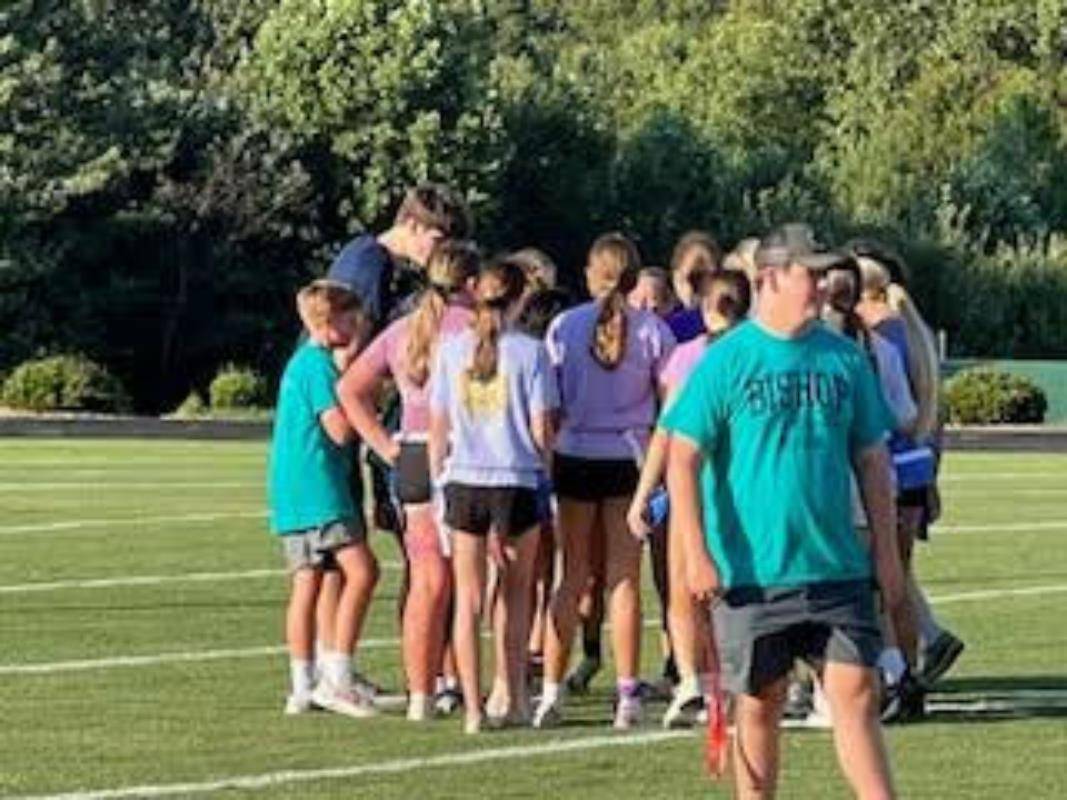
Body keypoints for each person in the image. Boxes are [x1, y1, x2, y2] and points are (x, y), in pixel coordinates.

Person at [663, 223, 905, 799]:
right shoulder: (728, 360)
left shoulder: (844, 359)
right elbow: (682, 458)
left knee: (857, 696)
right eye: (810, 273)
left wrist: (888, 558)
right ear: (769, 277)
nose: (823, 285)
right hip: (753, 572)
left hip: (835, 565)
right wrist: (696, 555)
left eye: (824, 273)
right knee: (760, 706)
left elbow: (873, 461)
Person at [322, 184, 471, 701]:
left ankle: (336, 666)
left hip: (369, 424)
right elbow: (348, 342)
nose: (439, 248)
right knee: (365, 551)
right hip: (365, 426)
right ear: (411, 224)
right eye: (438, 236)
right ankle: (349, 669)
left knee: (353, 549)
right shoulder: (371, 262)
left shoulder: (372, 261)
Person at [535, 233, 676, 730]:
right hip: (629, 458)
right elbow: (670, 405)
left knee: (570, 577)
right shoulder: (653, 331)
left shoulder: (563, 326)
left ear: (591, 275)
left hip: (575, 454)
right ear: (637, 279)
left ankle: (551, 691)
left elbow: (548, 407)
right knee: (623, 580)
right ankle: (627, 694)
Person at [429, 260, 558, 734]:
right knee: (517, 591)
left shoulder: (450, 349)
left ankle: (473, 708)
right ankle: (516, 695)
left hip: (464, 480)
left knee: (468, 599)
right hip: (516, 479)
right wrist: (548, 478)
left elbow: (439, 425)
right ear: (520, 298)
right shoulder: (531, 352)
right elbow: (542, 426)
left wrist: (438, 483)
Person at [625, 269, 752, 728]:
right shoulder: (758, 354)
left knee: (685, 587)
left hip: (694, 484)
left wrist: (644, 491)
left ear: (704, 307)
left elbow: (668, 429)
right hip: (745, 486)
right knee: (741, 584)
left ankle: (693, 680)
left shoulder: (690, 356)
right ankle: (734, 677)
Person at [851, 241, 963, 699]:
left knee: (882, 577)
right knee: (895, 573)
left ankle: (899, 669)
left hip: (888, 466)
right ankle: (916, 656)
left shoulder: (882, 337)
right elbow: (929, 416)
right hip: (915, 465)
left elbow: (884, 414)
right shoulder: (912, 331)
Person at [267, 280, 380, 719]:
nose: (357, 326)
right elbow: (339, 430)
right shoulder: (317, 367)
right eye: (351, 318)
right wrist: (360, 390)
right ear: (330, 321)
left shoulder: (302, 363)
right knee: (363, 571)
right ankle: (337, 676)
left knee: (307, 583)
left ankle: (302, 684)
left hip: (292, 492)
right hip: (320, 490)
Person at [665, 230, 723, 343]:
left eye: (705, 276)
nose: (694, 285)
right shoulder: (667, 326)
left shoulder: (664, 327)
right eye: (692, 277)